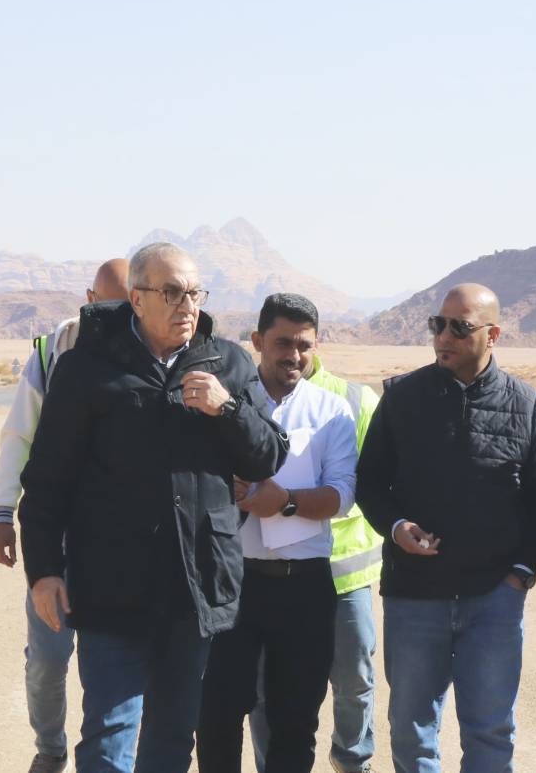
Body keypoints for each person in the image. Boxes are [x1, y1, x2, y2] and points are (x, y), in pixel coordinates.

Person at [18, 243, 288, 773]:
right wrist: (44, 571)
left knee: (171, 738)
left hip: (194, 589)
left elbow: (268, 456)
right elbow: (47, 479)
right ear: (137, 299)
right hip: (110, 586)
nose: (188, 305)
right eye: (172, 293)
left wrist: (227, 409)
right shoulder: (86, 369)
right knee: (108, 738)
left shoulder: (227, 362)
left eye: (194, 292)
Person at [356, 283, 536, 773]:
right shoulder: (402, 397)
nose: (443, 336)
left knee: (490, 731)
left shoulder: (526, 404)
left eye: (459, 327)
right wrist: (397, 526)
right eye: (438, 324)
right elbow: (370, 482)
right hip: (414, 596)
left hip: (493, 600)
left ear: (493, 335)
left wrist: (522, 573)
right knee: (411, 731)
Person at [197, 293, 358, 773]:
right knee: (218, 714)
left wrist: (282, 501)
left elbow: (341, 496)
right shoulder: (228, 406)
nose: (294, 355)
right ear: (257, 341)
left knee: (296, 720)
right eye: (283, 343)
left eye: (304, 345)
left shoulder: (332, 411)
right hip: (233, 583)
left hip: (304, 587)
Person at [0, 258, 128, 773]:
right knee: (48, 657)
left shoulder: (150, 353)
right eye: (108, 305)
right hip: (56, 539)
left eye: (128, 307)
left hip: (119, 543)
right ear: (90, 300)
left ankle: (109, 756)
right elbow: (18, 434)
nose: (117, 317)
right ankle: (49, 748)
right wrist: (2, 512)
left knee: (112, 661)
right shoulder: (53, 352)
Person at [249, 350, 383, 773]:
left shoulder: (355, 399)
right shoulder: (254, 395)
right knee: (269, 690)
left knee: (354, 679)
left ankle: (351, 760)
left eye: (302, 342)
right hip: (280, 570)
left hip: (345, 570)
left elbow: (374, 479)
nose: (293, 353)